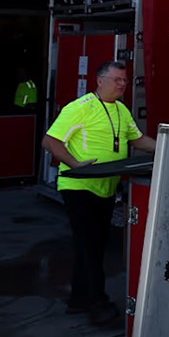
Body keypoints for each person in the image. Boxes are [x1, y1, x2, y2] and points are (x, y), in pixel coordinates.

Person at [41, 62, 156, 325]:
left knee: (91, 247)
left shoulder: (122, 110)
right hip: (80, 188)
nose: (122, 85)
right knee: (90, 247)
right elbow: (49, 141)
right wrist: (75, 165)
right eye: (117, 80)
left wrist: (167, 146)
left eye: (125, 81)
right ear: (100, 80)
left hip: (105, 188)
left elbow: (137, 139)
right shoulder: (79, 108)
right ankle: (98, 302)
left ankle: (78, 301)